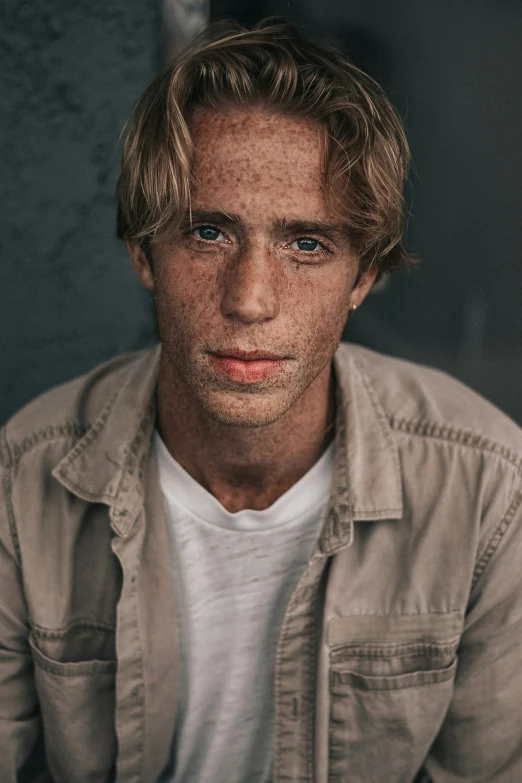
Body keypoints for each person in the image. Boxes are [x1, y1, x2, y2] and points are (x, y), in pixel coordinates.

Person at [1, 18, 521, 783]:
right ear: (144, 252)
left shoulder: (487, 489)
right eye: (208, 232)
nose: (250, 300)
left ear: (363, 276)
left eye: (306, 243)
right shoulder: (22, 478)